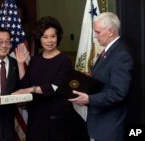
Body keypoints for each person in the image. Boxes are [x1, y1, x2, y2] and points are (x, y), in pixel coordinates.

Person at [14, 16, 89, 141]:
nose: (49, 41)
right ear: (40, 38)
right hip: (36, 115)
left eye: (53, 36)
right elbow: (26, 85)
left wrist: (32, 89)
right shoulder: (35, 60)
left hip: (57, 117)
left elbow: (56, 87)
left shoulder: (64, 60)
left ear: (57, 37)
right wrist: (20, 64)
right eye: (45, 37)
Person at [69, 12, 134, 141]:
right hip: (99, 124)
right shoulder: (109, 50)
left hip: (109, 128)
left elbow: (119, 93)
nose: (95, 36)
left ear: (110, 31)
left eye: (98, 32)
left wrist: (90, 99)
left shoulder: (121, 54)